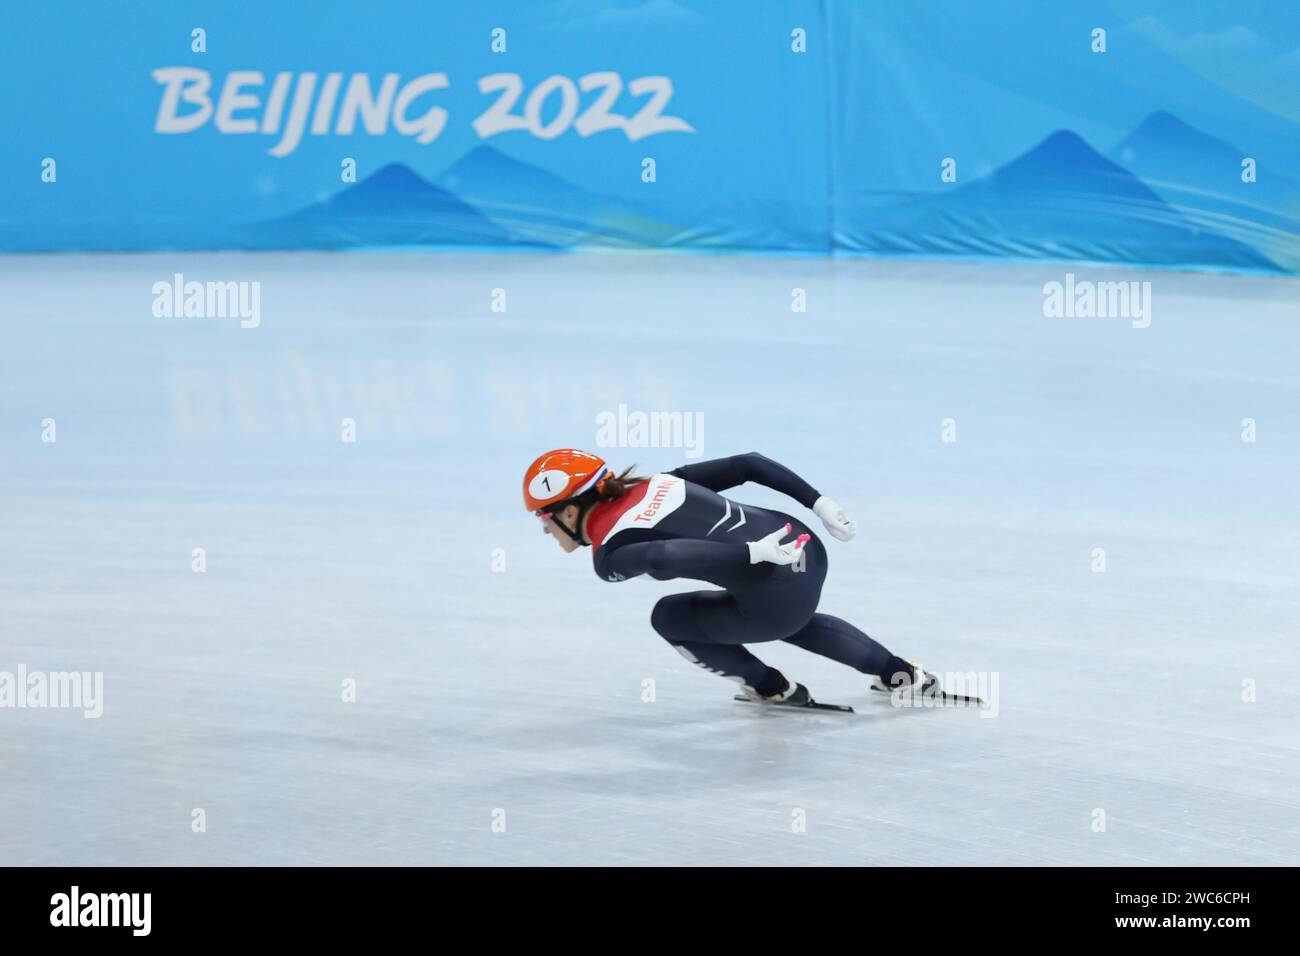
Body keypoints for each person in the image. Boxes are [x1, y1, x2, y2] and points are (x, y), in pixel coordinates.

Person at [523, 448, 935, 704]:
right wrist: (820, 504)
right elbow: (747, 464)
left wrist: (750, 555)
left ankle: (770, 686)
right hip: (805, 543)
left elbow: (664, 555)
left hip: (775, 584)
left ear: (571, 510)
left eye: (544, 516)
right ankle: (901, 674)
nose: (545, 528)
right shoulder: (658, 483)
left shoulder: (608, 554)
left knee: (669, 617)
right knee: (782, 616)